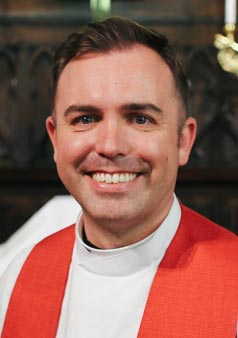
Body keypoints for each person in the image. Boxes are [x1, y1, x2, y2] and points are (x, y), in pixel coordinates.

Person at [0, 16, 237, 338]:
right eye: (85, 118)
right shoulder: (16, 274)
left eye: (140, 118)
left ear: (183, 141)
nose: (110, 146)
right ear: (55, 140)